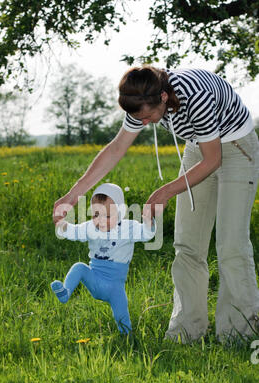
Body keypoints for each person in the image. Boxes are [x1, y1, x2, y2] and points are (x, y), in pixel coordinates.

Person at [53, 65, 259, 344]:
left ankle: (239, 334)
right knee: (187, 244)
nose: (146, 123)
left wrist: (165, 192)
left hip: (236, 148)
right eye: (141, 118)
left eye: (149, 116)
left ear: (163, 97)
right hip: (199, 146)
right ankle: (187, 331)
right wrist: (72, 195)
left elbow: (213, 161)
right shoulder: (142, 101)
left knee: (231, 245)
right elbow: (115, 149)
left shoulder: (194, 95)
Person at [51, 183, 156, 334]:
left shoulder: (128, 228)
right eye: (96, 215)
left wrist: (148, 223)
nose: (101, 220)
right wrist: (62, 225)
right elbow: (74, 231)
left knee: (121, 311)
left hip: (114, 287)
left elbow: (146, 234)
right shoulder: (91, 227)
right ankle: (65, 293)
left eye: (107, 216)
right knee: (79, 267)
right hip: (94, 278)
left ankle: (127, 336)